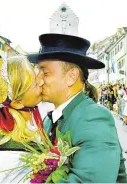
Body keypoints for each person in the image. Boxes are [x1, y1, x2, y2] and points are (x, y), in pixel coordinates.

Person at [28, 33, 127, 183]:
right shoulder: (49, 120)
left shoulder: (94, 119)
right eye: (38, 71)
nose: (38, 79)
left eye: (45, 72)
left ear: (71, 76)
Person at [0, 42, 44, 183]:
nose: (41, 82)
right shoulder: (9, 154)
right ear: (17, 102)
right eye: (35, 83)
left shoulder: (31, 124)